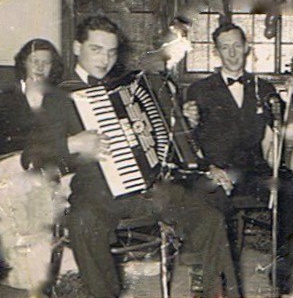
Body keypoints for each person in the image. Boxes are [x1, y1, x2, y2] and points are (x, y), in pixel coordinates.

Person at [30, 16, 239, 298]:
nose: (105, 59)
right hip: (97, 194)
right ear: (77, 47)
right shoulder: (57, 97)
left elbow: (162, 140)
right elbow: (32, 156)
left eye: (112, 52)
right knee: (83, 223)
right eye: (97, 49)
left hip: (150, 191)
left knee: (209, 219)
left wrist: (181, 121)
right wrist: (71, 142)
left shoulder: (128, 86)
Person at [184, 23, 293, 295]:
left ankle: (282, 270)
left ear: (246, 48)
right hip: (216, 171)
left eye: (237, 46)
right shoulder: (199, 90)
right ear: (217, 52)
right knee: (207, 197)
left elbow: (280, 135)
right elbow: (190, 139)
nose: (232, 53)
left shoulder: (263, 88)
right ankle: (207, 273)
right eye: (225, 47)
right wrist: (189, 123)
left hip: (254, 171)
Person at [0, 39, 65, 297]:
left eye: (46, 62)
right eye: (34, 60)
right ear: (23, 63)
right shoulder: (6, 99)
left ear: (53, 68)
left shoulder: (60, 101)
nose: (40, 67)